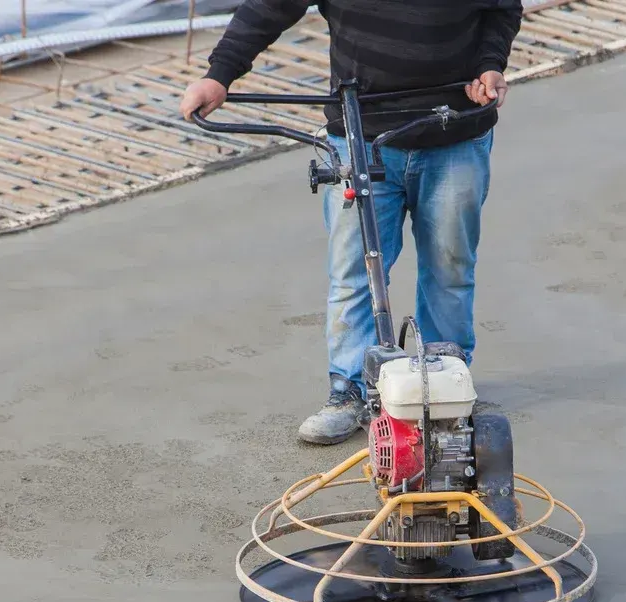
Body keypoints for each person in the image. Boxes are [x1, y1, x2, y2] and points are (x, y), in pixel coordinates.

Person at [180, 0, 523, 444]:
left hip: (454, 132)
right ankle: (350, 392)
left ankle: (445, 383)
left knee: (450, 265)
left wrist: (489, 67)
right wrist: (218, 75)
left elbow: (501, 9)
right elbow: (268, 8)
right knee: (356, 271)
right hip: (359, 134)